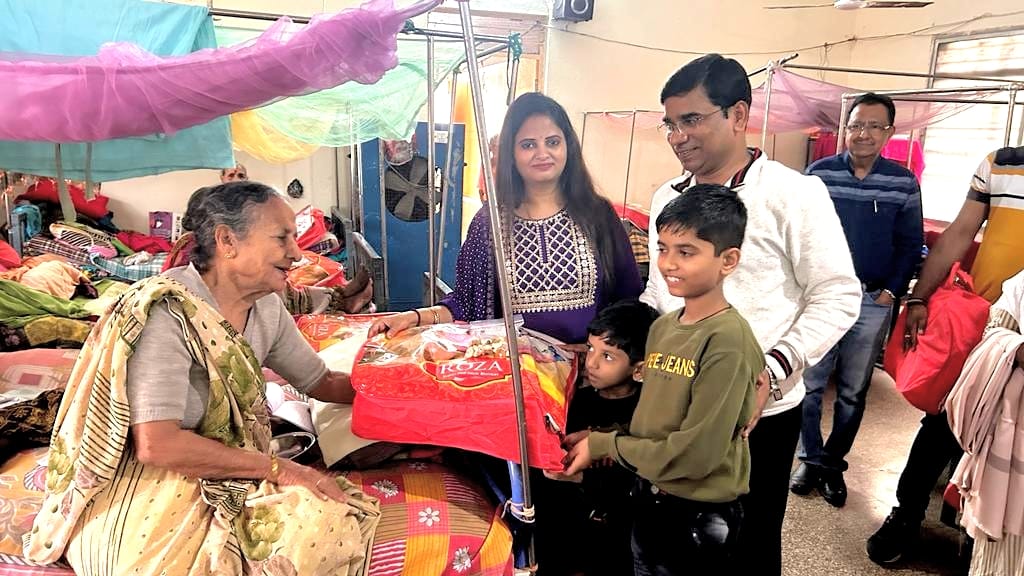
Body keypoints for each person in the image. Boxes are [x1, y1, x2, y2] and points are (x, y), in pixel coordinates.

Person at [25, 181, 380, 575]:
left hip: (229, 468)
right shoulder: (167, 312)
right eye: (282, 238)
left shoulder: (267, 307)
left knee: (323, 524)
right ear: (227, 241)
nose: (296, 253)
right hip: (155, 476)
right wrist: (282, 469)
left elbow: (322, 382)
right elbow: (157, 445)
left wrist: (401, 390)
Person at [638, 54, 861, 576]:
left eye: (691, 120)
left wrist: (772, 370)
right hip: (674, 401)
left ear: (738, 115)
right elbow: (659, 291)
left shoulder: (791, 194)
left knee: (746, 545)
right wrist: (635, 344)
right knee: (672, 540)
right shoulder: (667, 198)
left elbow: (837, 295)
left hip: (757, 415)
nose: (677, 137)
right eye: (670, 123)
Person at [564, 186, 763, 575]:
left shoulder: (728, 341)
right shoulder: (664, 328)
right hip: (649, 498)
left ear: (728, 260)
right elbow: (654, 422)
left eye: (686, 252)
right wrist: (597, 439)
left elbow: (697, 455)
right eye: (663, 248)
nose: (668, 263)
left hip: (696, 516)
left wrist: (605, 444)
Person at [368, 92, 642, 346]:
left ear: (568, 146)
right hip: (518, 373)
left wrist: (602, 352)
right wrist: (413, 317)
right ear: (511, 153)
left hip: (589, 373)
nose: (542, 153)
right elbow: (465, 304)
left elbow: (628, 300)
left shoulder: (598, 215)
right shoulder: (489, 224)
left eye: (553, 142)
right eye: (528, 145)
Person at [867, 145, 1024, 565]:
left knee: (1011, 440)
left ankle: (982, 533)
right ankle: (907, 514)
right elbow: (959, 233)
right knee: (944, 421)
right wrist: (920, 296)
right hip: (986, 325)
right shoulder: (1001, 165)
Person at [792, 93, 924, 508]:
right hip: (821, 298)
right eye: (855, 125)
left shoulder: (902, 182)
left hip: (871, 299)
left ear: (889, 132)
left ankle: (833, 464)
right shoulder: (819, 175)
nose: (863, 134)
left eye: (873, 126)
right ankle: (809, 459)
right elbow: (798, 234)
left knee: (852, 390)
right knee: (809, 385)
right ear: (845, 130)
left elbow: (911, 244)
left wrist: (891, 291)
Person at [555, 299, 659, 576]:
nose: (591, 363)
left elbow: (639, 482)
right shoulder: (577, 402)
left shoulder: (647, 414)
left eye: (608, 356)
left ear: (639, 369)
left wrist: (580, 478)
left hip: (623, 542)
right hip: (573, 537)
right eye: (590, 348)